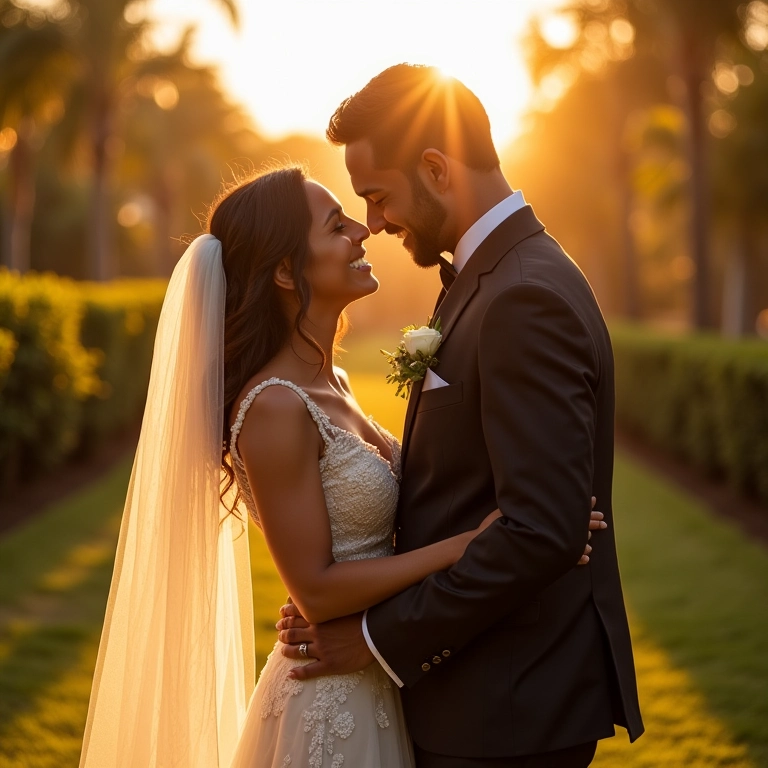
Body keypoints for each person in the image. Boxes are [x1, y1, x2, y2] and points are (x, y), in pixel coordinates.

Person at [78, 164, 604, 768]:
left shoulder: (338, 384)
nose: (362, 229)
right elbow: (318, 591)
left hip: (385, 676)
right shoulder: (274, 405)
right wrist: (470, 544)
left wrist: (531, 528)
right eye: (336, 225)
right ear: (285, 271)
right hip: (330, 698)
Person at [276, 64, 645, 768]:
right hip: (487, 698)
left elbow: (541, 531)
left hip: (508, 709)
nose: (374, 223)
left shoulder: (522, 296)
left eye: (378, 197)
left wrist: (376, 638)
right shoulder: (494, 278)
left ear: (437, 169)